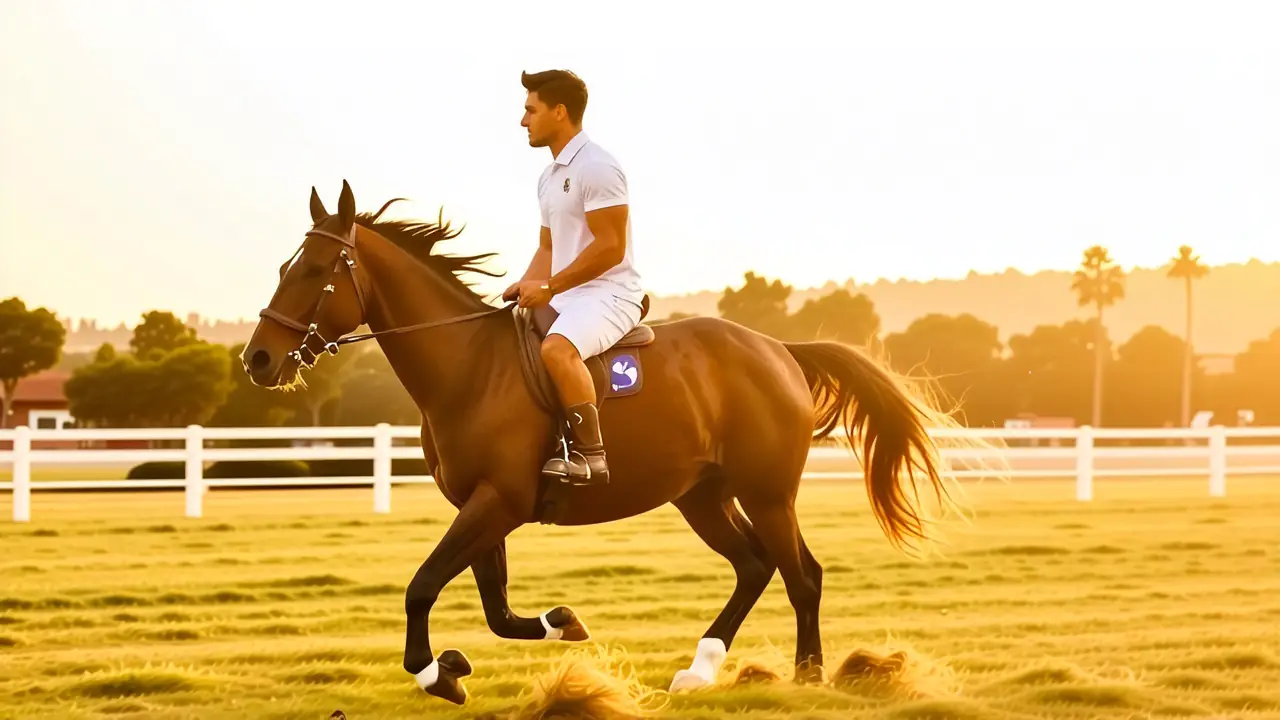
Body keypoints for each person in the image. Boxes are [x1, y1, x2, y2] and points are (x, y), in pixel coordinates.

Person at [502, 69, 644, 485]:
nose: (523, 120)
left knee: (556, 351)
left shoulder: (598, 167)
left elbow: (610, 246)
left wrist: (548, 288)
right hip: (568, 295)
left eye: (531, 110)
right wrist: (523, 288)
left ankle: (591, 456)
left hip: (611, 294)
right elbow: (548, 249)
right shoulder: (548, 178)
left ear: (559, 112)